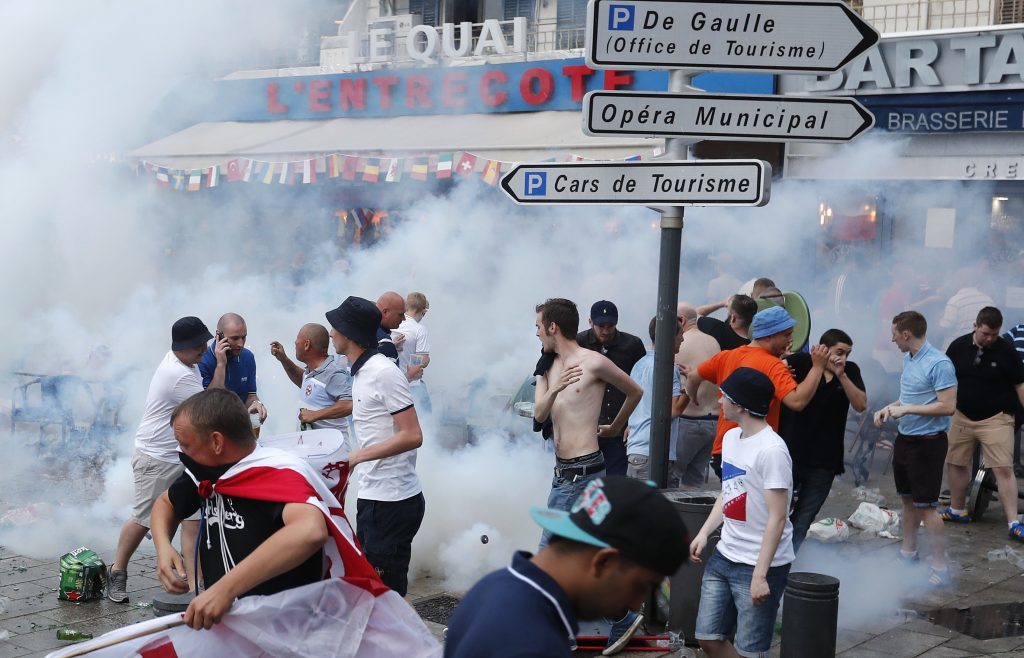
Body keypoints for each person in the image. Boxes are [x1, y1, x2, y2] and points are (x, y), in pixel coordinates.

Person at [444, 476, 689, 658]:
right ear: (603, 562)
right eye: (641, 586)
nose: (636, 604)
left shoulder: (493, 586)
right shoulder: (535, 645)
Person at [151, 388, 332, 628]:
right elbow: (165, 503)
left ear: (216, 441)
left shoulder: (277, 474)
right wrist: (163, 547)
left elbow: (310, 531)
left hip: (283, 627)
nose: (181, 454)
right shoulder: (205, 469)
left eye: (185, 445)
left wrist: (226, 589)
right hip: (229, 625)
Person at [534, 298, 644, 650]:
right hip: (562, 475)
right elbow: (538, 415)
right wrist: (554, 386)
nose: (536, 333)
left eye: (538, 326)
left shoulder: (593, 362)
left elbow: (635, 390)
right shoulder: (546, 364)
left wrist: (615, 427)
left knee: (549, 560)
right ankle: (619, 617)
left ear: (553, 327)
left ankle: (560, 633)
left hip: (584, 473)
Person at [108, 317, 225, 604]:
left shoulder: (187, 363)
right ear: (182, 346)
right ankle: (117, 571)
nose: (204, 349)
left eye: (205, 342)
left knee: (191, 518)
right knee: (144, 520)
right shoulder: (179, 375)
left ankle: (195, 583)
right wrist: (221, 365)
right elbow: (213, 405)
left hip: (182, 456)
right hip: (157, 458)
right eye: (199, 344)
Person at [690, 368, 794, 658]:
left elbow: (778, 516)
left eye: (725, 397)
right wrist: (704, 532)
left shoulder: (773, 451)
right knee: (707, 637)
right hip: (725, 555)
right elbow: (730, 491)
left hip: (760, 566)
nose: (719, 401)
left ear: (741, 406)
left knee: (751, 651)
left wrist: (760, 576)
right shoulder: (732, 438)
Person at [326, 296, 425, 596]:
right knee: (372, 591)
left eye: (335, 328)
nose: (331, 333)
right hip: (375, 498)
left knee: (386, 597)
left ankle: (407, 645)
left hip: (392, 502)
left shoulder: (383, 373)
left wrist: (357, 456)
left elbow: (413, 435)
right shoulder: (361, 371)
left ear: (350, 334)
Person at [687, 306, 829, 479]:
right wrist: (818, 367)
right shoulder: (773, 365)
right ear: (769, 335)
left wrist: (693, 397)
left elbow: (693, 378)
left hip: (723, 451)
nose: (790, 339)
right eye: (786, 335)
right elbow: (797, 401)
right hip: (754, 454)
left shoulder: (726, 356)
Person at [873, 311, 957, 586]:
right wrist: (890, 407)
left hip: (928, 443)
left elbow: (947, 406)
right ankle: (907, 554)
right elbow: (909, 398)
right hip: (905, 440)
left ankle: (941, 568)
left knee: (928, 507)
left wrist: (906, 408)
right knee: (908, 500)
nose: (892, 339)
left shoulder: (939, 363)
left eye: (895, 333)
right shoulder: (909, 359)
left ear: (906, 334)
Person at [940, 307, 1024, 540]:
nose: (989, 339)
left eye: (994, 334)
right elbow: (946, 379)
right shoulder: (957, 347)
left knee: (1003, 469)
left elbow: (1020, 385)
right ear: (975, 326)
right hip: (962, 414)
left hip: (997, 417)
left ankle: (1013, 522)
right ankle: (957, 510)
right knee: (956, 462)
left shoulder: (1006, 351)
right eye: (985, 333)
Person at [780, 329, 868, 552]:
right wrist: (781, 365)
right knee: (777, 514)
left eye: (847, 353)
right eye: (839, 352)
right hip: (790, 453)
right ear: (822, 348)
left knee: (804, 518)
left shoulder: (850, 371)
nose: (843, 358)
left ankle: (788, 560)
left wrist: (842, 375)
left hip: (825, 460)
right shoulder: (799, 362)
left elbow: (861, 405)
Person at [269, 324, 354, 497]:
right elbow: (305, 382)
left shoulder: (333, 373)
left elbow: (349, 404)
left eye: (297, 341)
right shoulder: (313, 371)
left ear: (307, 344)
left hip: (331, 456)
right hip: (314, 454)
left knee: (328, 507)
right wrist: (283, 359)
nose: (295, 343)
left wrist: (315, 415)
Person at [577, 300, 647, 476]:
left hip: (620, 429)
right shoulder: (579, 342)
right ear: (590, 322)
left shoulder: (633, 345)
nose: (606, 331)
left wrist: (633, 424)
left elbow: (642, 385)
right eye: (601, 326)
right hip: (586, 428)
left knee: (616, 484)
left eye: (611, 326)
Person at [624, 316, 688, 482]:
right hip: (655, 455)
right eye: (680, 334)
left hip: (636, 451)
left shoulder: (639, 364)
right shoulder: (668, 367)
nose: (683, 338)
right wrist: (691, 388)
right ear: (669, 336)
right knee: (660, 507)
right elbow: (674, 410)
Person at [675, 302, 723, 488]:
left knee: (671, 477)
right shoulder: (713, 342)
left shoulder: (680, 344)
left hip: (689, 421)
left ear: (681, 320)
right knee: (694, 483)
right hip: (713, 422)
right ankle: (692, 518)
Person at [198, 313, 267, 424]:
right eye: (234, 338)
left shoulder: (247, 357)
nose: (240, 344)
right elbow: (208, 405)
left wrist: (256, 403)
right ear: (219, 335)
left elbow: (251, 395)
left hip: (239, 428)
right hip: (211, 428)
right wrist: (221, 365)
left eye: (244, 337)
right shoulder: (202, 360)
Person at [938, 266, 994, 349]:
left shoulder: (955, 300)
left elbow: (943, 329)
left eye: (955, 278)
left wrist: (938, 320)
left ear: (961, 281)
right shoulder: (989, 300)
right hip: (978, 349)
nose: (952, 282)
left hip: (955, 350)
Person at [396, 292, 432, 415]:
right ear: (422, 311)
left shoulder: (393, 323)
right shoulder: (419, 329)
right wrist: (425, 360)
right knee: (424, 420)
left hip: (393, 384)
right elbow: (423, 359)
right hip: (413, 385)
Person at [375, 291, 406, 364]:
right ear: (385, 312)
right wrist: (410, 374)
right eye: (400, 314)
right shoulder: (384, 342)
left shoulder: (365, 329)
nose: (404, 318)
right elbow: (390, 375)